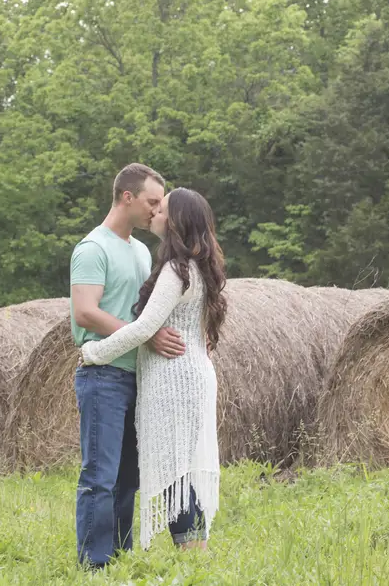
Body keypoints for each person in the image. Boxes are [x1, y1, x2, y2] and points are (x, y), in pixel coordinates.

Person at [81, 187, 227, 552]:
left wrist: (95, 352)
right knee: (177, 470)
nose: (154, 213)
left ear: (175, 220)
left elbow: (145, 328)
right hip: (191, 375)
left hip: (174, 380)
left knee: (173, 473)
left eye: (160, 208)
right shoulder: (196, 267)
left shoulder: (177, 270)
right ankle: (196, 553)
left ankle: (196, 557)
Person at [71, 163, 186, 569]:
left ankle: (119, 558)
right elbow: (85, 312)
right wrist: (145, 334)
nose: (158, 211)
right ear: (127, 197)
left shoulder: (141, 250)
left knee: (127, 479)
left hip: (140, 377)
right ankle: (94, 565)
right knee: (99, 478)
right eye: (153, 202)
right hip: (102, 376)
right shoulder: (92, 248)